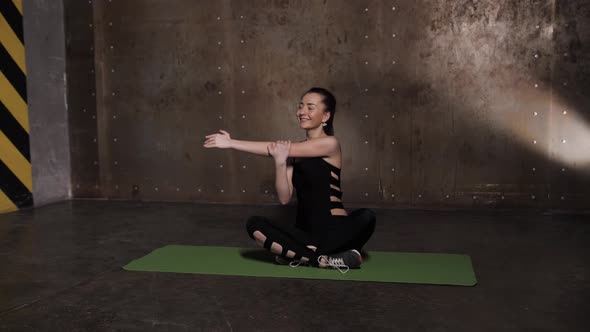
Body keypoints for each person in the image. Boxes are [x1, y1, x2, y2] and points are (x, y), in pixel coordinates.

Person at [203, 87, 376, 273]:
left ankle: (299, 255)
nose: (302, 112)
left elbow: (271, 147)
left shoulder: (330, 144)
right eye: (300, 106)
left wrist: (231, 143)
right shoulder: (293, 152)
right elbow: (285, 197)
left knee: (366, 217)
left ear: (325, 116)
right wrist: (279, 162)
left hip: (334, 230)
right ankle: (323, 259)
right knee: (255, 224)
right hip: (305, 233)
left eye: (310, 107)